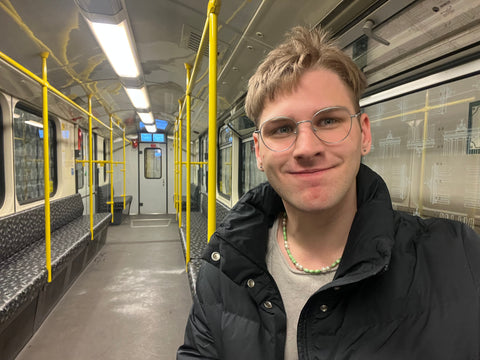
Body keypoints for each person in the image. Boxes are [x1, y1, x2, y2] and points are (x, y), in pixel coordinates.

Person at [177, 26, 480, 360]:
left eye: (328, 121)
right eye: (282, 129)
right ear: (259, 152)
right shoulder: (223, 272)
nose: (306, 148)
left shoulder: (459, 258)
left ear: (363, 133)